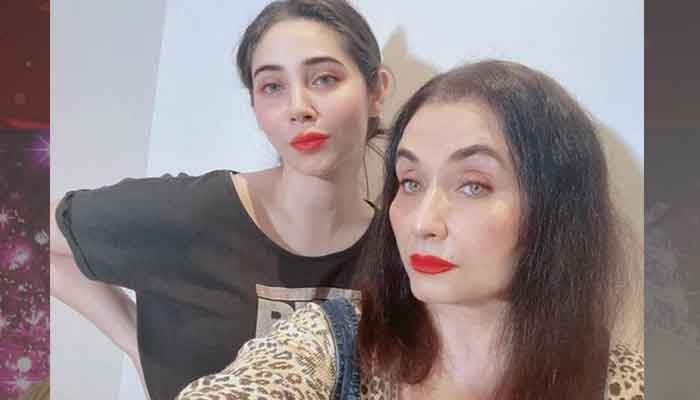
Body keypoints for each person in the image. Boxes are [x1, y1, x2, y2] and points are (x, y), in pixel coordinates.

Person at [176, 60, 644, 400]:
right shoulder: (331, 345)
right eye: (411, 182)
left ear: (556, 211)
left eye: (474, 186)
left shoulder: (623, 381)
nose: (422, 222)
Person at [49, 1, 391, 399]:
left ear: (376, 91)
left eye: (324, 79)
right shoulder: (190, 215)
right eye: (272, 87)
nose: (298, 108)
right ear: (254, 105)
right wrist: (133, 340)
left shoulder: (399, 253)